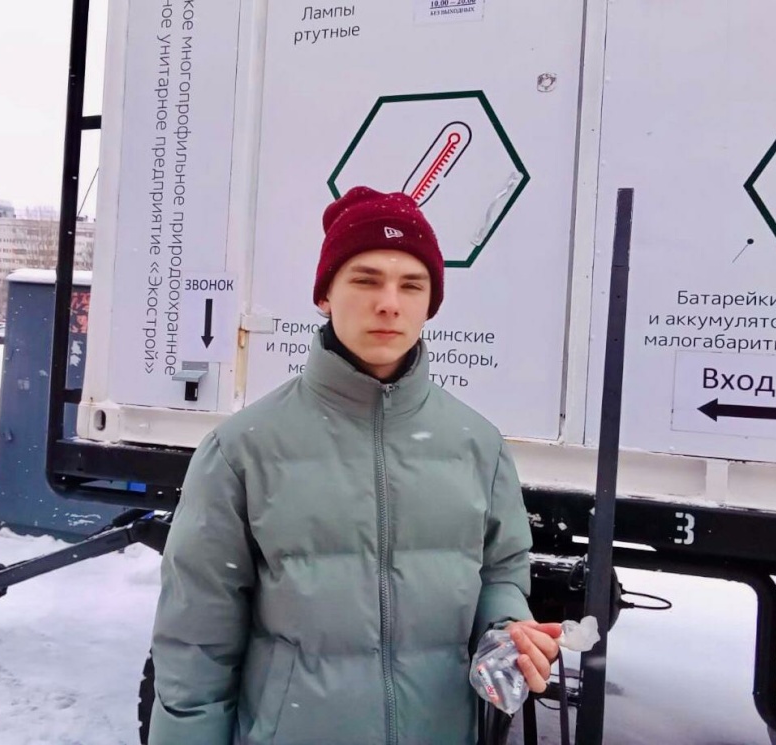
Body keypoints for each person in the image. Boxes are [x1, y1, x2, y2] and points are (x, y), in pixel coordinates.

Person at [148, 186, 561, 745]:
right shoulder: (243, 449)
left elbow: (501, 571)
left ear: (430, 305)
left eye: (411, 285)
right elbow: (196, 642)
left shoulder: (478, 445)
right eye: (366, 280)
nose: (389, 303)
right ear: (325, 295)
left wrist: (505, 628)